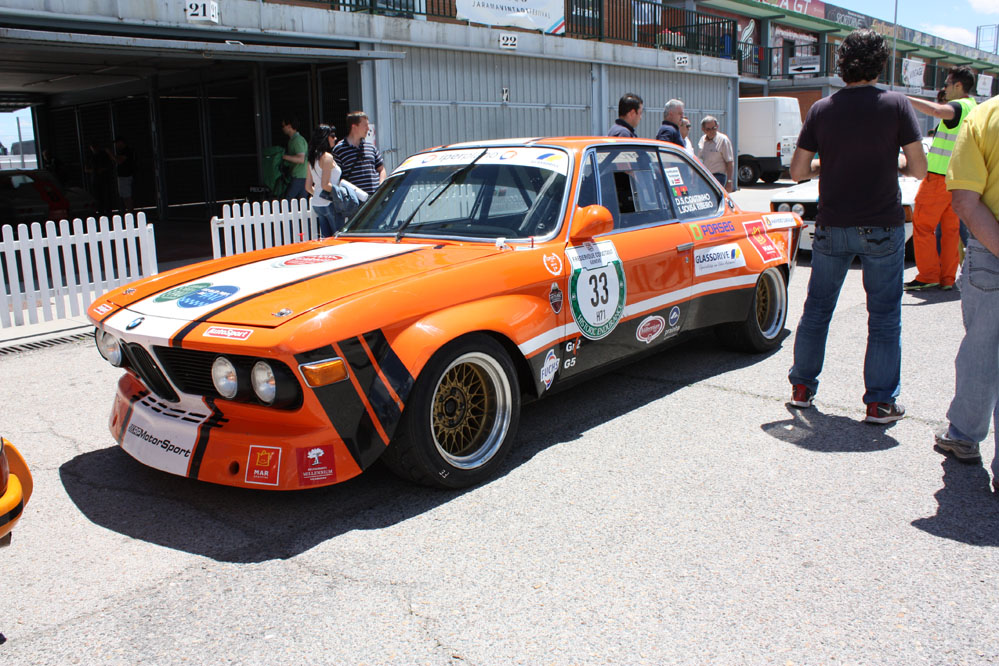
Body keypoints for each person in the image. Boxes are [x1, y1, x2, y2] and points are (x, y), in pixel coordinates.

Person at [786, 28, 927, 424]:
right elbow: (919, 168)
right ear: (880, 63)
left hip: (833, 225)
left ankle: (802, 388)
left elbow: (797, 170)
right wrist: (894, 162)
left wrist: (825, 163)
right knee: (883, 317)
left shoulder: (822, 109)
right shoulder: (896, 105)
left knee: (817, 310)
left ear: (842, 63)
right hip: (882, 225)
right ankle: (879, 403)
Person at [934, 94, 999, 494]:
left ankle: (963, 435)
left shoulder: (985, 117)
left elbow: (963, 200)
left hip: (991, 248)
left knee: (981, 349)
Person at [904, 66, 977, 291]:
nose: (944, 89)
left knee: (923, 226)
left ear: (958, 86)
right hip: (957, 181)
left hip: (938, 180)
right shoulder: (973, 107)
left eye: (946, 84)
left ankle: (928, 275)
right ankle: (947, 278)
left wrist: (905, 99)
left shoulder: (958, 106)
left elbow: (937, 110)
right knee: (950, 231)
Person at [332, 111, 386, 197]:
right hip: (354, 200)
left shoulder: (371, 147)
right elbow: (335, 177)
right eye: (365, 125)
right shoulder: (339, 150)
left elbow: (381, 169)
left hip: (375, 199)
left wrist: (381, 187)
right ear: (354, 127)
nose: (368, 129)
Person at [305, 124, 344, 238]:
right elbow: (325, 184)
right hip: (329, 203)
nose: (335, 138)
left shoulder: (312, 158)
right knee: (338, 238)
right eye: (332, 136)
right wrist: (340, 192)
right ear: (326, 138)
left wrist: (319, 194)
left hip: (317, 203)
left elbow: (308, 187)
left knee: (326, 239)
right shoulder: (327, 157)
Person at [697, 116, 735, 192]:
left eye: (714, 128)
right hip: (704, 176)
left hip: (718, 177)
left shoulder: (723, 140)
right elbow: (700, 158)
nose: (712, 131)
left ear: (717, 127)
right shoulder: (702, 140)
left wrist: (729, 181)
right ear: (703, 129)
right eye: (708, 129)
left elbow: (729, 162)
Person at [281, 117, 309, 201]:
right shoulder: (293, 140)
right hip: (300, 176)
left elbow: (301, 159)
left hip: (299, 176)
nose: (282, 128)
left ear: (289, 126)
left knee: (288, 201)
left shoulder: (297, 140)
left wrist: (284, 157)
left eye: (283, 126)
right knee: (301, 202)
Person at [110, 137, 134, 214]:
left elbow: (119, 160)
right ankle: (128, 211)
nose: (116, 145)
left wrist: (110, 154)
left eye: (117, 143)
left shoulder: (126, 151)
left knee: (127, 196)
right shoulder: (122, 151)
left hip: (126, 176)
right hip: (123, 176)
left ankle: (130, 212)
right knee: (124, 196)